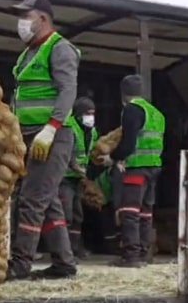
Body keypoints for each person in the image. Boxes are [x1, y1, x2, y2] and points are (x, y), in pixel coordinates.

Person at [7, 0, 80, 280]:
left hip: (52, 136)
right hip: (29, 136)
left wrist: (51, 128)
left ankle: (21, 264)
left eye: (27, 16)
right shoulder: (27, 53)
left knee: (32, 199)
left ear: (43, 19)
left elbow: (68, 91)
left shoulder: (60, 48)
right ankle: (64, 264)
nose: (21, 23)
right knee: (48, 202)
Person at [97, 75, 165, 267]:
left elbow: (128, 143)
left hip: (136, 168)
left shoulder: (131, 110)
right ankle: (143, 254)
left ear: (123, 94)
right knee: (145, 213)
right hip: (154, 168)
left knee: (130, 212)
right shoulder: (157, 114)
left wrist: (112, 158)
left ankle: (131, 256)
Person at [60, 96, 98, 260]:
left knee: (77, 215)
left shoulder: (92, 131)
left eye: (93, 113)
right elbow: (66, 154)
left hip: (78, 179)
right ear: (78, 113)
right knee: (66, 214)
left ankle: (75, 248)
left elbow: (94, 152)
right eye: (88, 113)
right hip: (65, 177)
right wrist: (79, 170)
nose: (91, 117)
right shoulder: (69, 126)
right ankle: (64, 251)